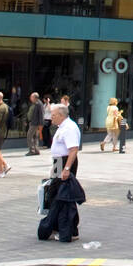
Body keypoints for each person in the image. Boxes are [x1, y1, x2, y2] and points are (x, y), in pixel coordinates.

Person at [39, 103, 85, 242]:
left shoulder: (69, 128)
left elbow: (73, 149)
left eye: (53, 116)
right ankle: (57, 225)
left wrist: (66, 168)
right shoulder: (62, 127)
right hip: (58, 162)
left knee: (63, 195)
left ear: (60, 115)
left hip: (65, 162)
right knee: (55, 193)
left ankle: (69, 229)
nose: (51, 119)